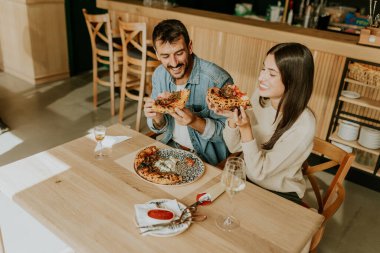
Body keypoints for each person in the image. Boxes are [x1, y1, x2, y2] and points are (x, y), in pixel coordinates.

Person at [208, 43, 315, 204]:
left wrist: (245, 128)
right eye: (263, 69)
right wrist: (231, 117)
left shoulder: (304, 124)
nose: (261, 78)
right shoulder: (261, 96)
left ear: (293, 81)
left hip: (280, 193)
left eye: (271, 74)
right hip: (247, 178)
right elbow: (235, 147)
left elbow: (260, 172)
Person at [143, 19, 233, 166]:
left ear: (190, 47)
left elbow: (229, 137)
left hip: (208, 160)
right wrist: (158, 117)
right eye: (165, 56)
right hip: (171, 149)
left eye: (179, 53)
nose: (173, 63)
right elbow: (159, 126)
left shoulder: (218, 80)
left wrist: (194, 121)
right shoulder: (159, 74)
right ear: (157, 54)